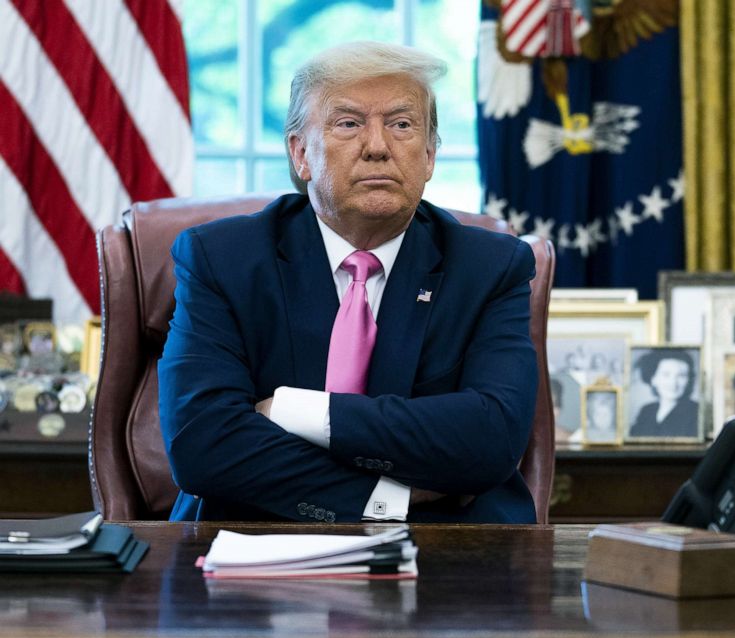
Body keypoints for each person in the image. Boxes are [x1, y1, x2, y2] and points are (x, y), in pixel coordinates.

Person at [158, 42, 538, 524]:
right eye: (349, 123)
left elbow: (492, 437)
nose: (378, 146)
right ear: (300, 154)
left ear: (429, 155)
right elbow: (202, 445)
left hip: (447, 549)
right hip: (253, 535)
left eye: (401, 125)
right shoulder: (224, 259)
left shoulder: (489, 267)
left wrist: (297, 411)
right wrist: (385, 500)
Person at [628, 350, 699, 438]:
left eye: (681, 375)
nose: (673, 383)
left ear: (689, 380)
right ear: (653, 379)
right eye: (666, 375)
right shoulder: (647, 411)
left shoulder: (696, 411)